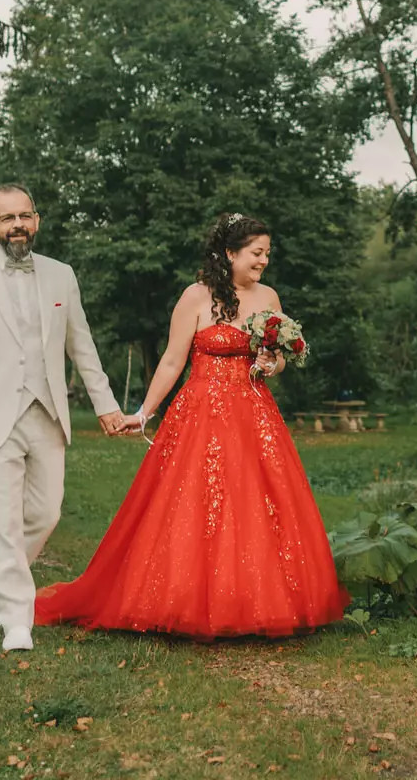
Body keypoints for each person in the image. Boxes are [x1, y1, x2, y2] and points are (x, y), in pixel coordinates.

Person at [34, 213, 349, 638]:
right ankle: (180, 598)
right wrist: (143, 413)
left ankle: (255, 600)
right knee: (192, 503)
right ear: (229, 253)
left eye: (267, 254)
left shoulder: (270, 298)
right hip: (201, 412)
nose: (263, 262)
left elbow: (276, 362)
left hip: (254, 413)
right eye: (256, 253)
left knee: (257, 503)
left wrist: (269, 364)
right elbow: (171, 360)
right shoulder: (196, 298)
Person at [0, 184, 127, 652]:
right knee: (1, 520)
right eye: (6, 218)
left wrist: (105, 405)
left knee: (46, 511)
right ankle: (17, 620)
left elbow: (82, 345)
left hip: (47, 412)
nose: (17, 225)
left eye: (25, 216)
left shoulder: (61, 275)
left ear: (36, 220)